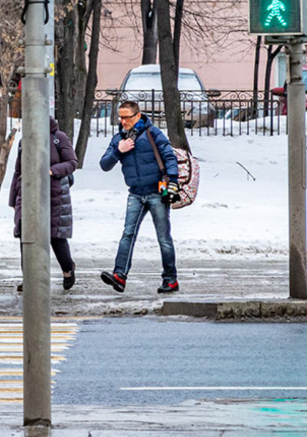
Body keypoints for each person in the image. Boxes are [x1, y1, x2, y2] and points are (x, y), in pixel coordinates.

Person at [99, 100, 180, 293]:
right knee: (128, 233)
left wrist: (173, 182)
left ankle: (171, 279)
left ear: (137, 116)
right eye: (121, 117)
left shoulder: (153, 134)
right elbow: (104, 164)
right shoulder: (119, 138)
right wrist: (120, 150)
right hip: (135, 193)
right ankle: (119, 275)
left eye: (127, 117)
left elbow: (169, 156)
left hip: (156, 193)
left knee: (163, 238)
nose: (123, 121)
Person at [10, 117, 79, 291]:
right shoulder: (24, 141)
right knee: (26, 236)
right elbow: (18, 169)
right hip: (27, 194)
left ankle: (68, 269)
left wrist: (51, 171)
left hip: (53, 194)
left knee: (55, 237)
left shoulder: (58, 137)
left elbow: (72, 163)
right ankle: (30, 279)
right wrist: (13, 197)